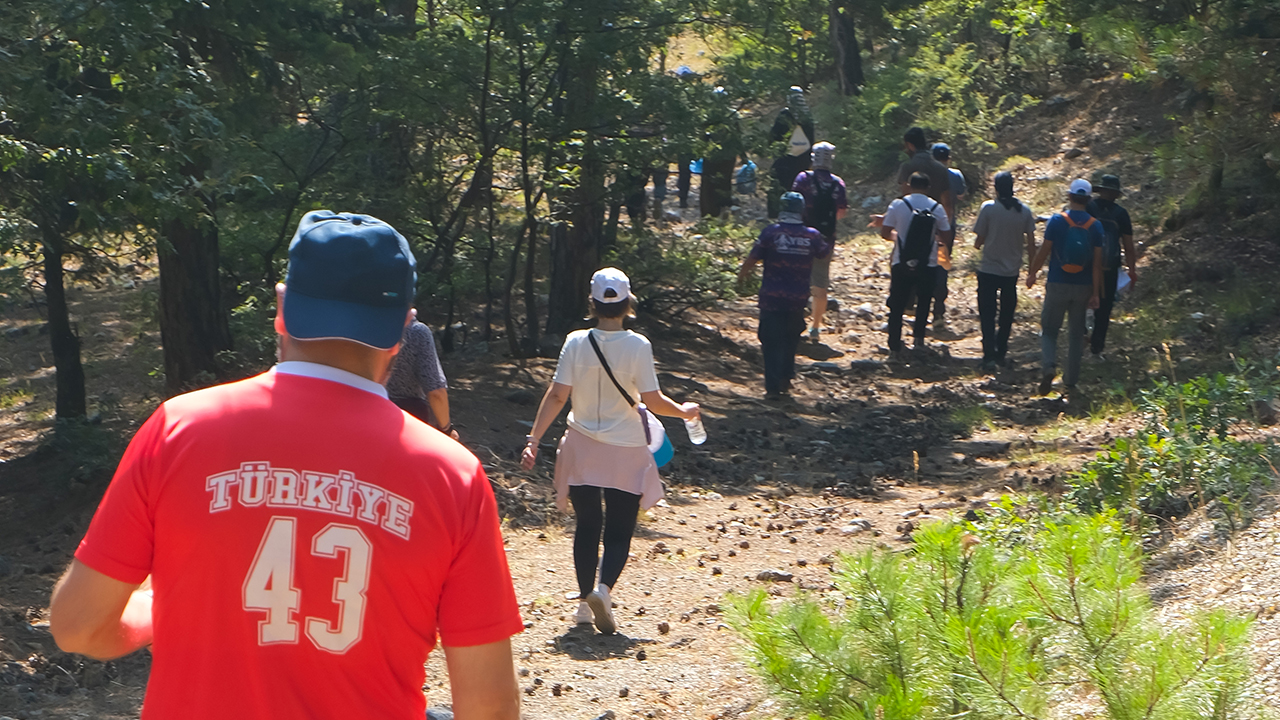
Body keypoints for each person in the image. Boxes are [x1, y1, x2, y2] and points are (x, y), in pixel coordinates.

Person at [49, 210, 523, 720]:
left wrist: (151, 609)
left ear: (281, 308)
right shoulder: (453, 475)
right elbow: (489, 704)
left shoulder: (179, 428)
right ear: (403, 330)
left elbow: (79, 627)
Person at [520, 268, 699, 635]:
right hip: (625, 449)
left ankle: (584, 606)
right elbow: (652, 400)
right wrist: (683, 412)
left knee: (587, 525)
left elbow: (557, 395)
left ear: (593, 303)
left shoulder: (575, 342)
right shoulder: (638, 345)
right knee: (619, 530)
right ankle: (603, 590)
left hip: (582, 445)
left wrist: (533, 439)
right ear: (628, 302)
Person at [738, 192, 833, 398]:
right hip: (797, 298)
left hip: (771, 297)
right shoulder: (812, 235)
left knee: (771, 341)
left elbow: (752, 258)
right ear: (802, 210)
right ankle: (786, 377)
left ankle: (772, 387)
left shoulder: (770, 232)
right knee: (791, 338)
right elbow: (825, 253)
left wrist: (741, 277)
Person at [1026, 179, 1105, 395]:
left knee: (1049, 331)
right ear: (1088, 200)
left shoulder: (1057, 221)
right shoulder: (1096, 226)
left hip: (1057, 283)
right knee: (1076, 335)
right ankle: (1071, 381)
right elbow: (1097, 264)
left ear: (1069, 196)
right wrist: (1096, 293)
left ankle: (1049, 367)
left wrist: (1032, 273)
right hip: (1083, 287)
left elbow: (1044, 251)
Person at [879, 173, 951, 358]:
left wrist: (898, 237)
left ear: (909, 185)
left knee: (897, 304)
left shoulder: (898, 204)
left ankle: (894, 345)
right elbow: (946, 235)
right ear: (928, 188)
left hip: (901, 260)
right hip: (928, 261)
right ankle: (918, 339)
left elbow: (885, 232)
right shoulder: (936, 207)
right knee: (924, 300)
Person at [973, 171, 1037, 370]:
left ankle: (989, 355)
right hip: (1011, 271)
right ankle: (1001, 351)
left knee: (987, 313)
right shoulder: (1024, 211)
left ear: (996, 188)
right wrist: (1032, 269)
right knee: (1007, 313)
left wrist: (980, 243)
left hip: (989, 269)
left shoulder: (988, 208)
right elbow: (1031, 243)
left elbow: (978, 240)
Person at [791, 141, 848, 340]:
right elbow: (841, 212)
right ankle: (815, 327)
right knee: (820, 283)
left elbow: (794, 204)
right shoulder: (838, 183)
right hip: (825, 239)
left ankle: (794, 323)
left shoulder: (803, 178)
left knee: (797, 280)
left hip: (801, 237)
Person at [1086, 173, 1137, 361]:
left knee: (1081, 301)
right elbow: (1128, 247)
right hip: (1109, 267)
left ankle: (1080, 335)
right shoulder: (1121, 214)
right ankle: (1096, 349)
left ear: (1101, 190)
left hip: (1087, 265)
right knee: (1105, 308)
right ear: (1116, 193)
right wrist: (1132, 271)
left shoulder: (1089, 207)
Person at [386, 318, 460, 440]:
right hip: (410, 422)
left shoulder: (366, 328)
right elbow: (436, 391)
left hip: (371, 415)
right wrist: (446, 430)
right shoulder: (417, 331)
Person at [929, 142, 967, 329]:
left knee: (922, 265)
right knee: (942, 267)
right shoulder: (955, 175)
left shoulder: (926, 174)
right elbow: (961, 195)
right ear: (949, 158)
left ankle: (917, 305)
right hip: (947, 228)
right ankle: (938, 312)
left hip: (925, 227)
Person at [766, 86, 816, 220]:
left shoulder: (785, 115)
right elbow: (811, 140)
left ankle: (775, 216)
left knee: (779, 186)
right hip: (803, 161)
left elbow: (774, 136)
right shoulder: (807, 117)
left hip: (785, 159)